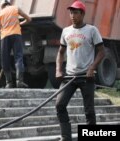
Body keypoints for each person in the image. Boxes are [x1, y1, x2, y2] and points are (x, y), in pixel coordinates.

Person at [55, 1, 105, 141]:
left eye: (76, 12)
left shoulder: (91, 30)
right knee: (59, 105)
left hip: (86, 76)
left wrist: (92, 68)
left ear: (82, 14)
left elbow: (102, 52)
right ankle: (66, 137)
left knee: (89, 110)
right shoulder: (66, 31)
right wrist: (58, 70)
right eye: (71, 12)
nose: (72, 15)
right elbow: (60, 52)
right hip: (69, 77)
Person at [0, 0, 31, 88]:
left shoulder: (0, 13)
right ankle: (19, 81)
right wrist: (20, 23)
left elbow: (1, 27)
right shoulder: (16, 8)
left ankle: (8, 83)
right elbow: (29, 19)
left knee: (5, 59)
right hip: (16, 34)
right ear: (9, 3)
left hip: (4, 36)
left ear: (2, 6)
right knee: (18, 58)